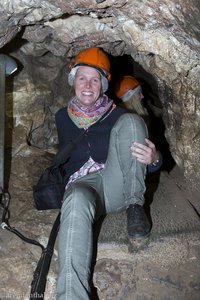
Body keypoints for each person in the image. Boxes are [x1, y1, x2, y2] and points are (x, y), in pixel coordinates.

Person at [55, 47, 157, 300]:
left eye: (94, 79)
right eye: (82, 78)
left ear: (103, 85)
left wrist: (155, 159)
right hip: (84, 186)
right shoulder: (62, 117)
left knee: (134, 122)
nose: (88, 85)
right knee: (76, 198)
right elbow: (64, 159)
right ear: (73, 81)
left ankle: (135, 207)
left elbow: (146, 158)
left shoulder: (119, 115)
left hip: (117, 184)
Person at [115, 75, 162, 172]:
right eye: (139, 93)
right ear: (130, 96)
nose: (142, 96)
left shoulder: (141, 111)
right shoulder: (122, 116)